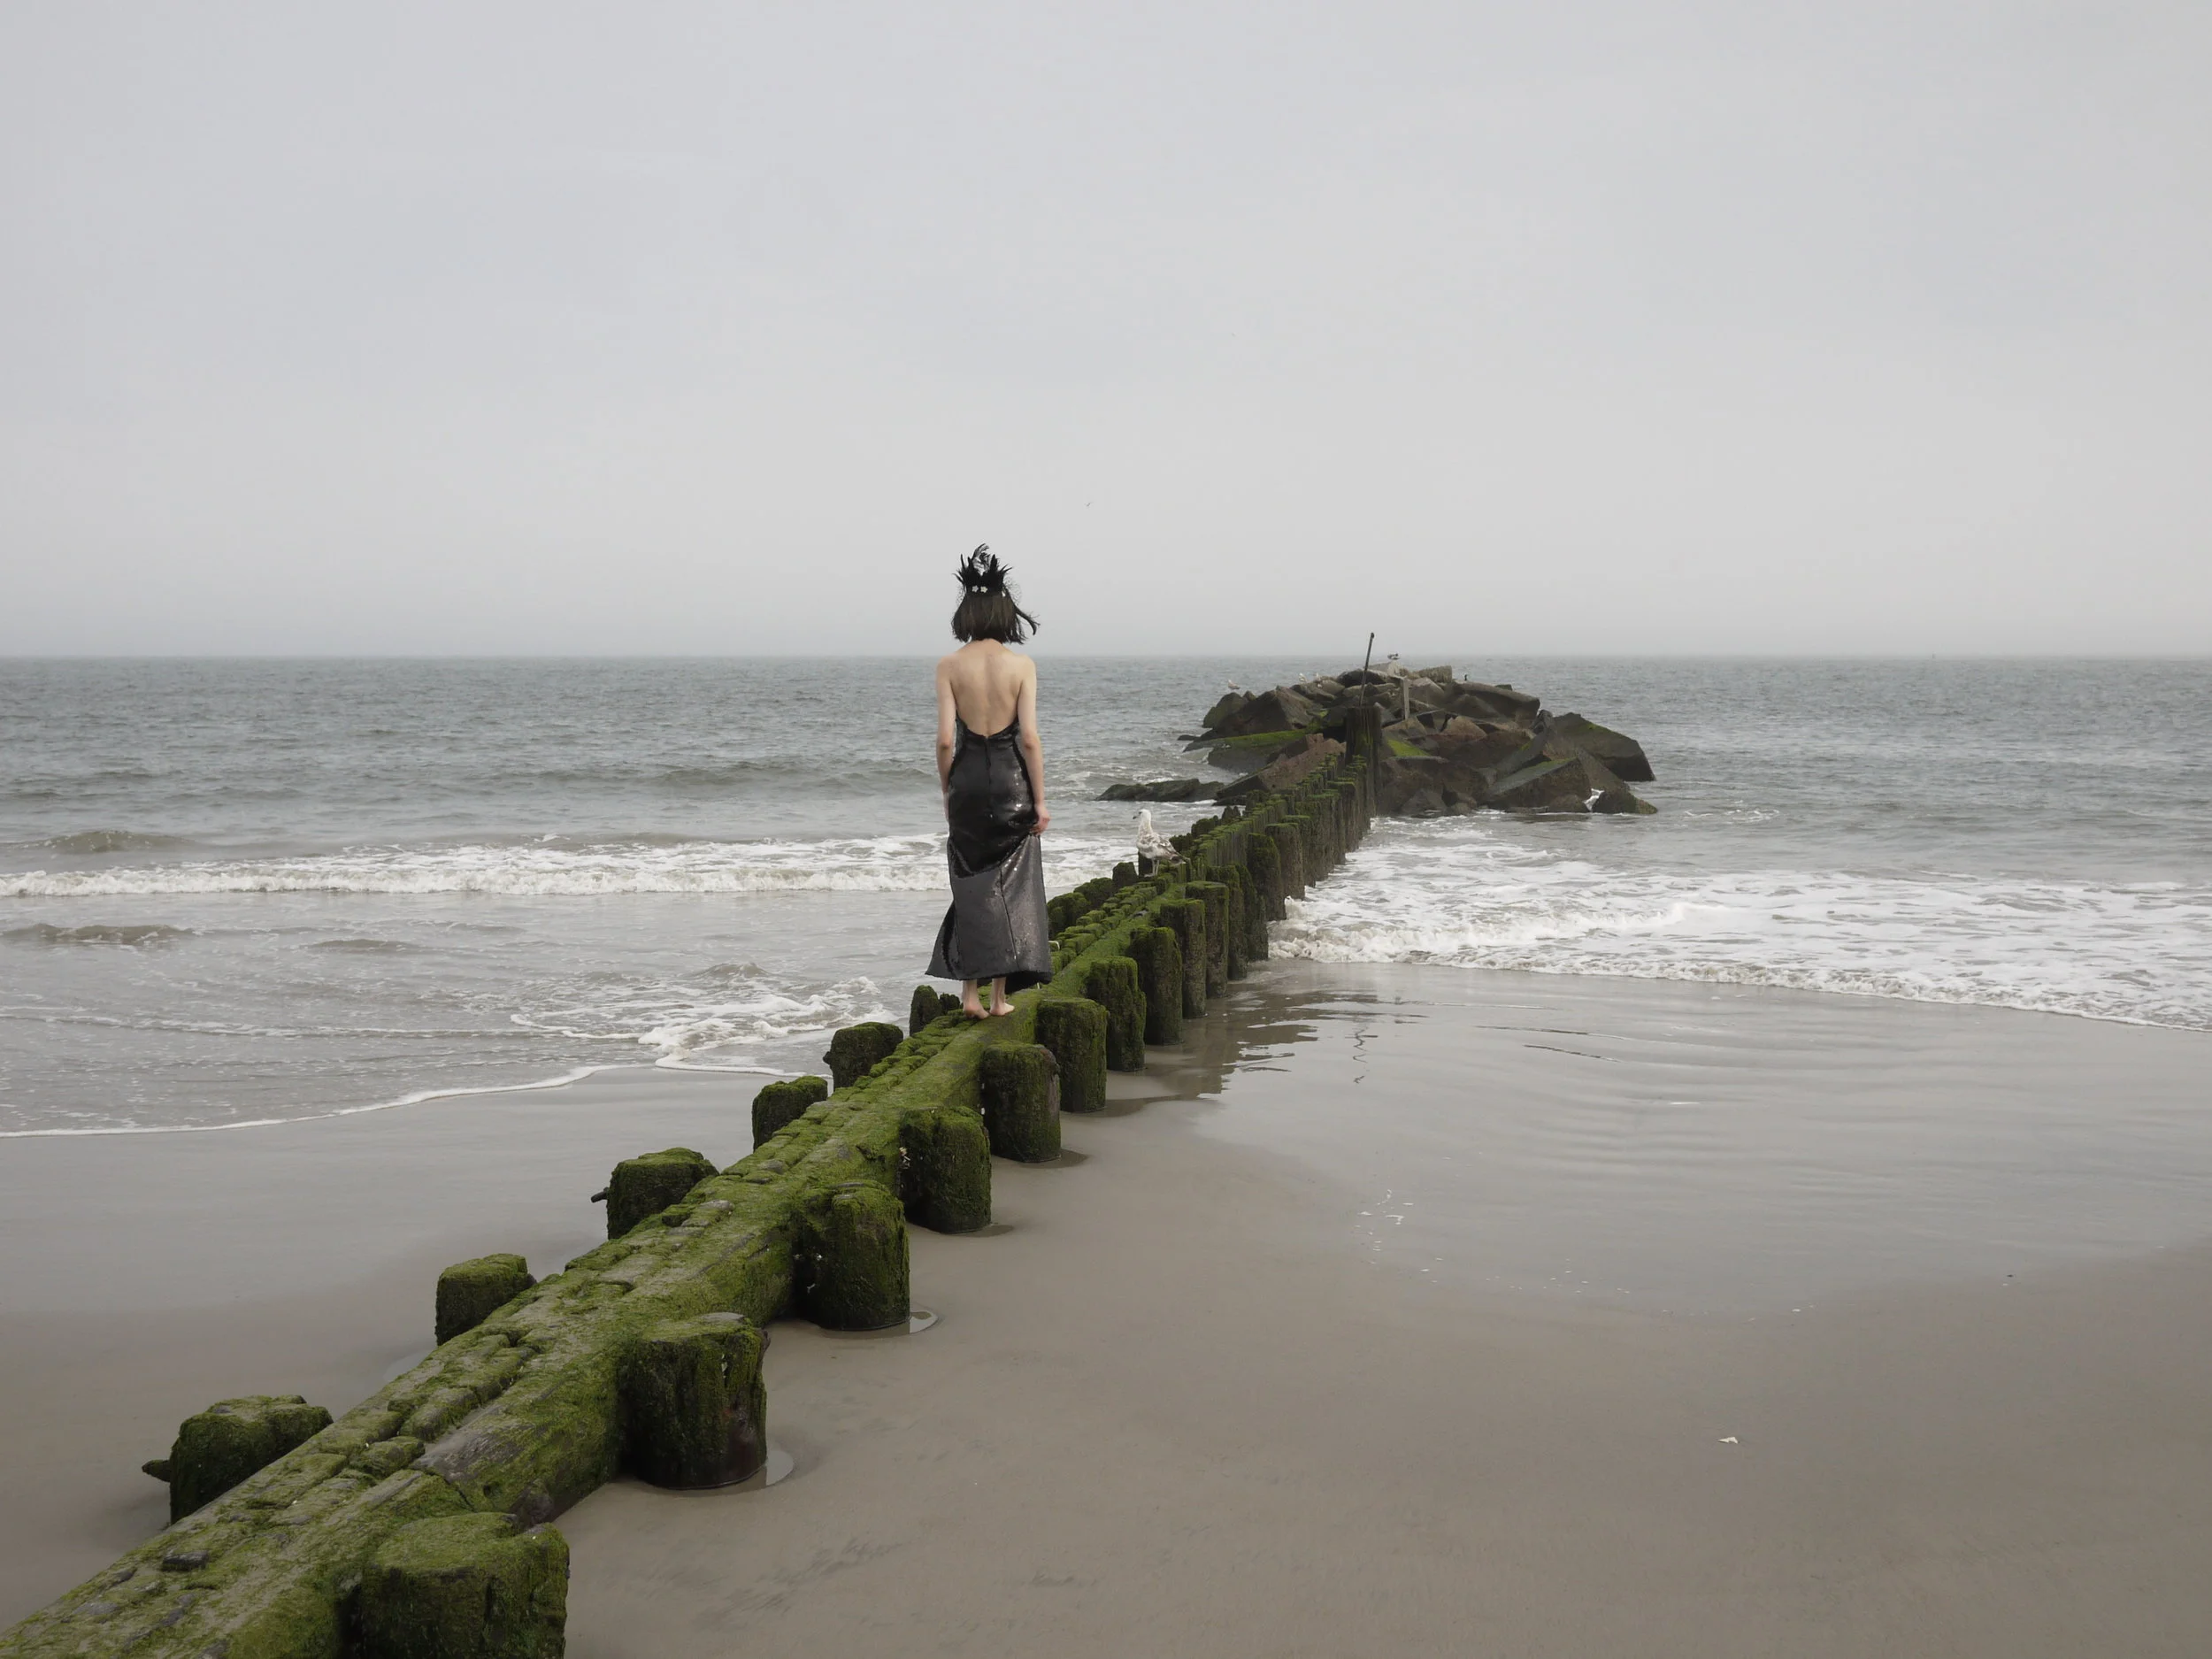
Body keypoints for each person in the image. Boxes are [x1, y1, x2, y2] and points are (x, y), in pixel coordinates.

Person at [927, 546, 1052, 1017]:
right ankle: (1000, 999)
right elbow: (1030, 740)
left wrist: (948, 790)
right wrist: (1040, 801)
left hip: (966, 784)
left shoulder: (948, 666)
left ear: (966, 614)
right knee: (1011, 886)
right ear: (1005, 614)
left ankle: (970, 995)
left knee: (970, 883)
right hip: (1009, 782)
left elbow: (944, 741)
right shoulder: (1022, 667)